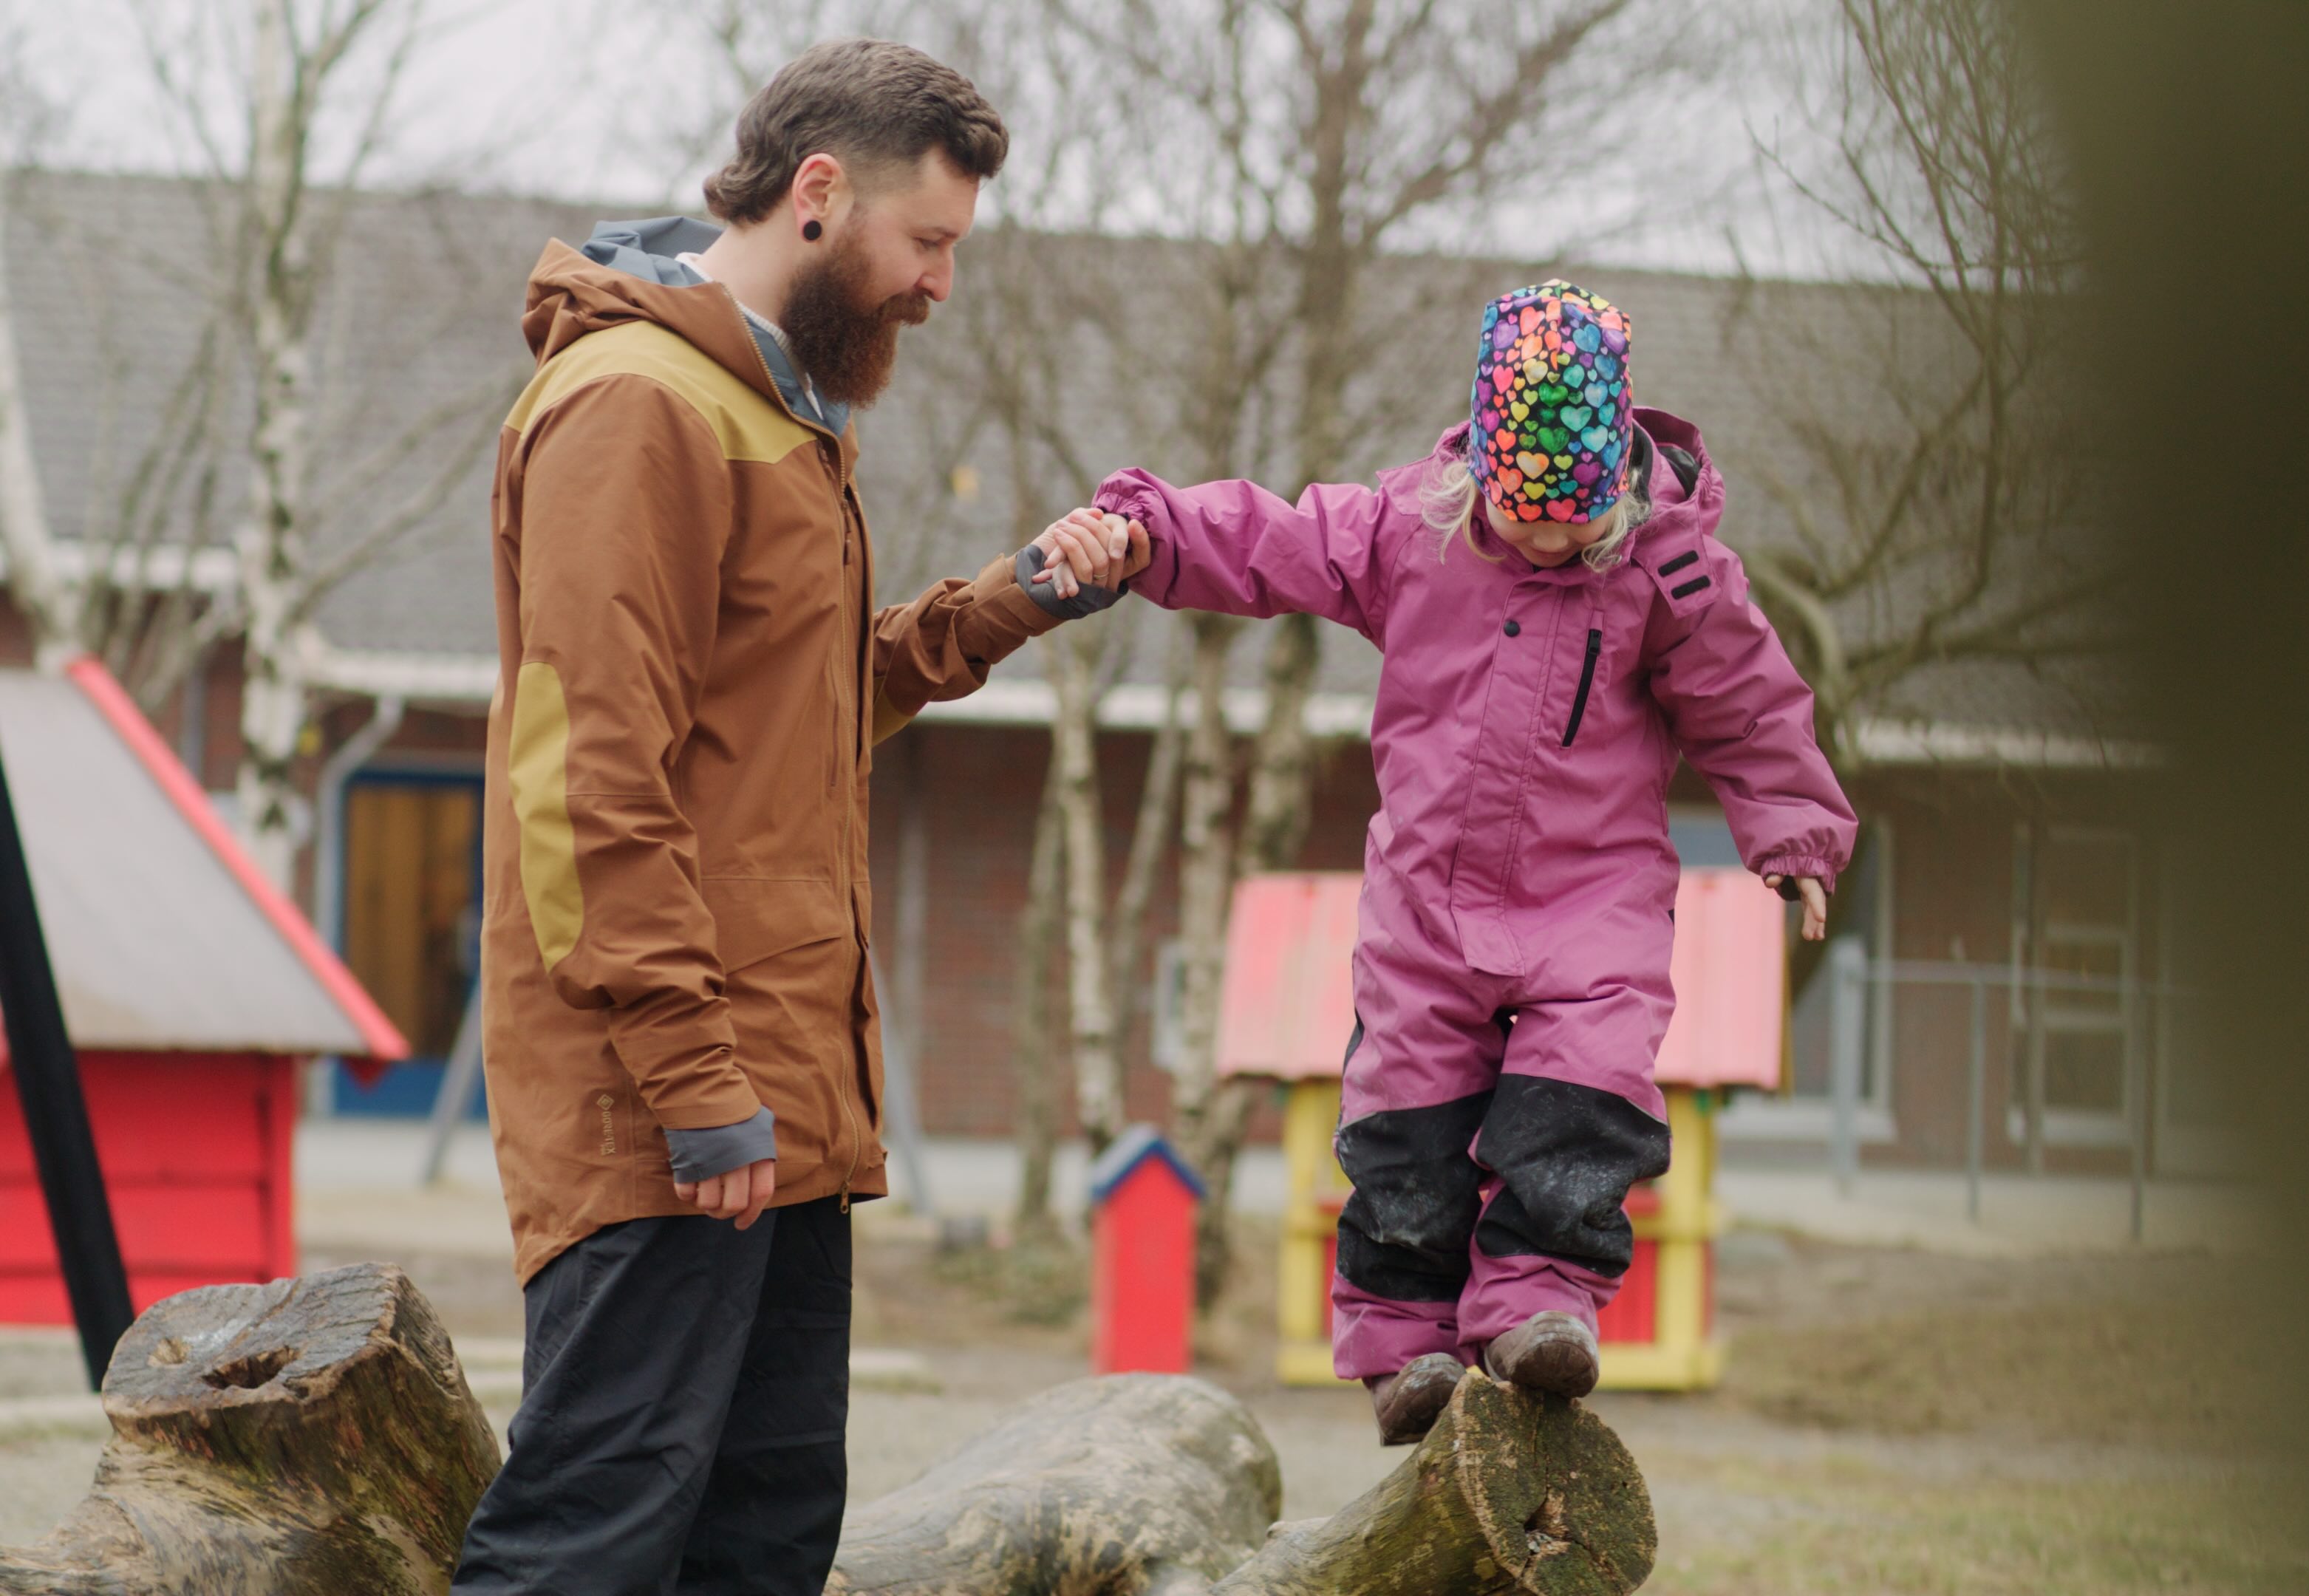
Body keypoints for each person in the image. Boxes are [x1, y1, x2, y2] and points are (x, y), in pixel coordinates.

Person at [451, 39, 1145, 1595]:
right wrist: (696, 1080)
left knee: (761, 1542)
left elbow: (786, 719)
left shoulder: (776, 405)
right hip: (663, 1106)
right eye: (930, 241)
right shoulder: (637, 405)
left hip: (781, 1108)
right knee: (593, 1542)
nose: (940, 285)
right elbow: (588, 780)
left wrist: (1002, 606)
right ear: (820, 193)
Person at [1035, 279, 1853, 1444]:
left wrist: (1796, 833)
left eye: (1574, 519)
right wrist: (1145, 532)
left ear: (1616, 481)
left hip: (1593, 906)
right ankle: (1401, 1348)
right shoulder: (1409, 533)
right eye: (1524, 515)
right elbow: (1271, 540)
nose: (1547, 539)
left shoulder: (1668, 574)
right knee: (1403, 1126)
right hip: (1429, 905)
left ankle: (1537, 1308)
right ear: (1481, 473)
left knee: (1587, 1104)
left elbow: (1749, 704)